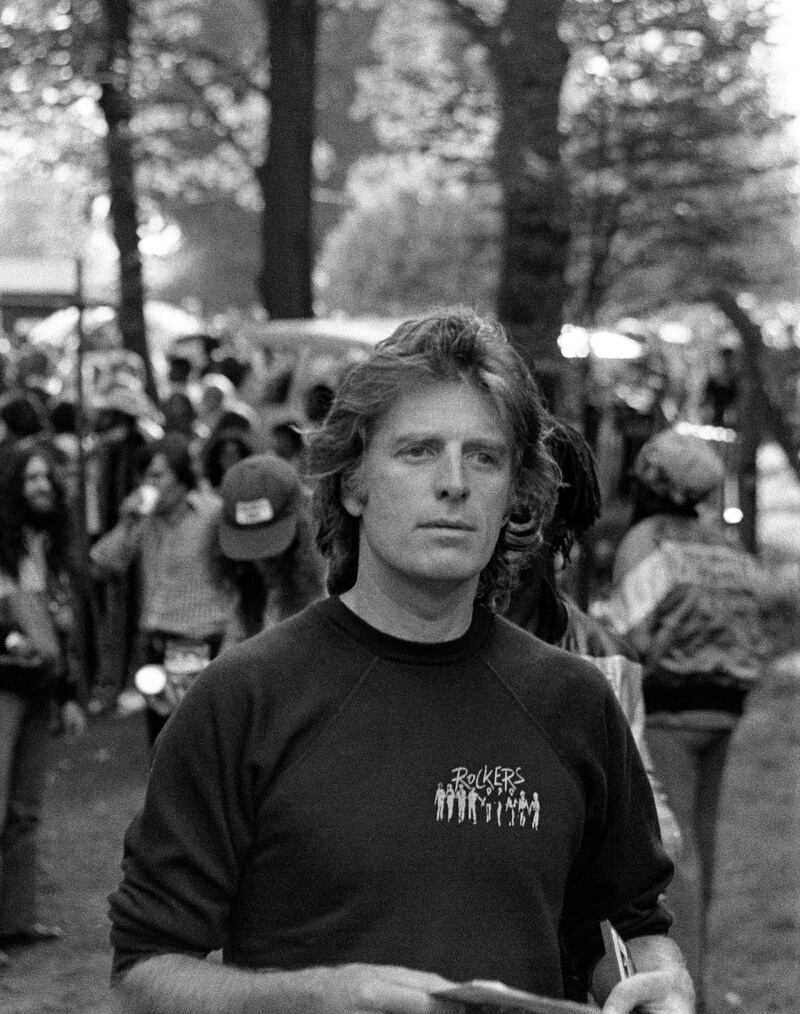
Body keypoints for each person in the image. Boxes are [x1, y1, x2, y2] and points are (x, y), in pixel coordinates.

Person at [108, 309, 693, 1014]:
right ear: (352, 482)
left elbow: (630, 924)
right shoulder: (243, 698)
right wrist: (311, 998)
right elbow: (142, 976)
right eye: (418, 451)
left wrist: (660, 982)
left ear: (515, 491)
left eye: (484, 456)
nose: (454, 483)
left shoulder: (574, 700)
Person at [606, 428, 767, 1012]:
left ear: (649, 482)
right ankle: (698, 975)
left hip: (669, 714)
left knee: (673, 857)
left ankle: (681, 989)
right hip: (726, 712)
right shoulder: (722, 545)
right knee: (705, 847)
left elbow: (624, 633)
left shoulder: (649, 542)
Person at [504, 420, 681, 864]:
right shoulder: (431, 634)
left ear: (563, 513)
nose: (514, 510)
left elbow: (642, 809)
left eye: (533, 493)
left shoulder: (603, 656)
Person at [0, 439, 86, 970]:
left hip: (40, 686)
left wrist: (69, 692)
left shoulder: (51, 547)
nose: (41, 487)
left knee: (25, 810)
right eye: (30, 479)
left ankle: (14, 921)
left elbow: (63, 627)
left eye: (46, 479)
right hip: (5, 686)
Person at [90, 432, 235, 746]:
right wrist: (126, 522)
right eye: (143, 476)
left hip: (198, 640)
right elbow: (102, 566)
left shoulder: (212, 515)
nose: (148, 484)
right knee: (161, 743)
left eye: (157, 475)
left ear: (182, 477)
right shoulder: (144, 520)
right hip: (154, 644)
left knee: (196, 742)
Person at [218, 453, 325, 647]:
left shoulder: (334, 582)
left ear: (303, 521)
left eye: (271, 546)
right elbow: (230, 654)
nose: (260, 559)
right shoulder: (250, 585)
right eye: (246, 547)